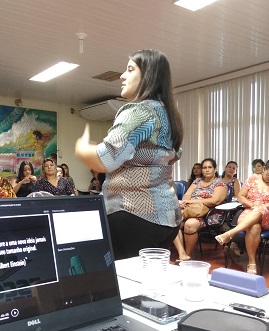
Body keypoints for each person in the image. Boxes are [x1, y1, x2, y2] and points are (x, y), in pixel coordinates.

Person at [75, 49, 183, 260]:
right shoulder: (168, 114)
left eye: (130, 69)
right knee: (150, 285)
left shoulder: (139, 111)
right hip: (168, 218)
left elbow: (104, 160)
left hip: (134, 215)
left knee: (130, 287)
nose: (122, 76)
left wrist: (82, 148)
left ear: (148, 76)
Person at [215, 157, 269, 274]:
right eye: (268, 175)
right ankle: (252, 262)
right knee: (255, 227)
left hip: (268, 215)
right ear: (264, 169)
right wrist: (252, 204)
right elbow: (240, 196)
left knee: (260, 210)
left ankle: (230, 233)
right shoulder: (252, 179)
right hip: (250, 212)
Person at [173, 158, 227, 262]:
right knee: (173, 222)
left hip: (208, 214)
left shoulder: (220, 183)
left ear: (215, 169)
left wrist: (192, 202)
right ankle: (182, 253)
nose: (207, 170)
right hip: (190, 210)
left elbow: (214, 201)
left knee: (190, 224)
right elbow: (187, 194)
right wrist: (185, 202)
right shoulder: (197, 181)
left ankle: (188, 255)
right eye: (204, 167)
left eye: (210, 167)